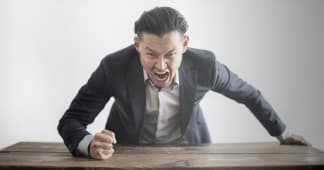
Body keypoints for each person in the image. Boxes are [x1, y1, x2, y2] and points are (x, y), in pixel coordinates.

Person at [58, 6, 311, 160]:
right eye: (150, 54)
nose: (161, 66)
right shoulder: (113, 68)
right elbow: (70, 120)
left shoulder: (205, 66)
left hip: (190, 153)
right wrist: (88, 144)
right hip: (126, 155)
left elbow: (249, 95)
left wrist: (283, 134)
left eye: (170, 54)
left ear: (185, 45)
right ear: (137, 46)